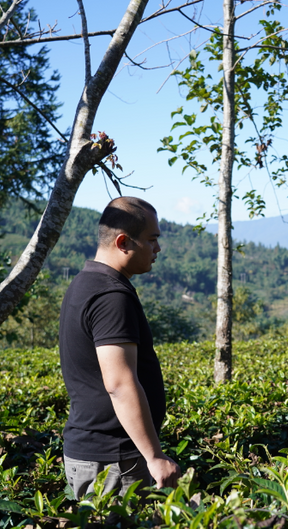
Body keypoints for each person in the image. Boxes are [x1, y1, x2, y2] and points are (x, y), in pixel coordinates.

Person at [59, 196, 180, 498]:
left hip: (100, 454)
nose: (158, 248)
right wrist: (154, 456)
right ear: (123, 242)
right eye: (151, 239)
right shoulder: (111, 296)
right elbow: (119, 383)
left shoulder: (85, 283)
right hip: (113, 461)